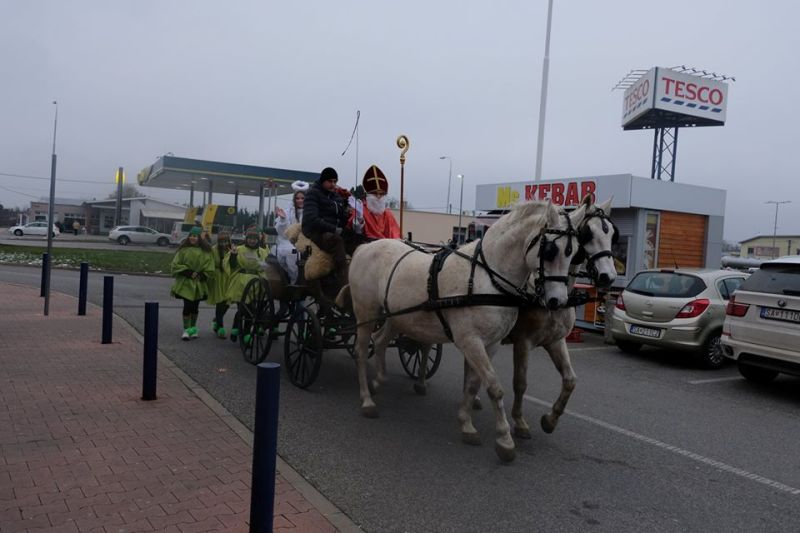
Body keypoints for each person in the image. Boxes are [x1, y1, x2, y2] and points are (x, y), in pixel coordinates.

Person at [301, 167, 353, 288]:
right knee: (336, 241)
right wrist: (334, 229)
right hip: (315, 231)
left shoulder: (336, 197)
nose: (333, 184)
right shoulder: (312, 194)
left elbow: (342, 218)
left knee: (355, 239)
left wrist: (348, 213)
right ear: (323, 180)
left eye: (335, 181)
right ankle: (343, 284)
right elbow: (312, 219)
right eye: (330, 181)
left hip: (334, 230)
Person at [224, 226, 270, 342]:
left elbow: (266, 267)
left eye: (255, 238)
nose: (252, 240)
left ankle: (246, 334)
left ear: (258, 239)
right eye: (250, 238)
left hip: (256, 284)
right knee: (243, 308)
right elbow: (232, 266)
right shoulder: (239, 249)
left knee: (251, 311)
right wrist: (233, 256)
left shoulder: (262, 252)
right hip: (241, 283)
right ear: (246, 238)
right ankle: (236, 328)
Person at [170, 226, 215, 341]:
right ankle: (186, 329)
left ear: (199, 238)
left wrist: (201, 275)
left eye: (194, 236)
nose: (192, 238)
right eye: (191, 235)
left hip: (199, 284)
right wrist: (188, 272)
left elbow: (210, 267)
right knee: (187, 306)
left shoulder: (206, 252)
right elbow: (175, 264)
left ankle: (193, 328)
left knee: (195, 307)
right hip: (186, 282)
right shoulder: (183, 250)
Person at [348, 165, 400, 241]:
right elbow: (356, 232)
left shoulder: (388, 214)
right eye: (375, 193)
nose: (378, 197)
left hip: (387, 247)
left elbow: (395, 235)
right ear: (368, 195)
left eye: (381, 194)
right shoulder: (361, 210)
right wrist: (359, 219)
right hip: (368, 246)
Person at [275, 181, 307, 284]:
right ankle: (294, 282)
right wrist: (283, 220)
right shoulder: (288, 212)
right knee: (292, 252)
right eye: (298, 198)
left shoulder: (310, 212)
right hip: (288, 243)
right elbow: (282, 233)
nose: (300, 201)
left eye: (302, 198)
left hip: (307, 243)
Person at [208, 231, 233, 339]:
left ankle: (217, 319)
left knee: (227, 303)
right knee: (220, 302)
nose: (224, 244)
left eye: (226, 241)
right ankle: (220, 327)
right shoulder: (214, 250)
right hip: (218, 278)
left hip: (228, 278)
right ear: (218, 241)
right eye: (221, 241)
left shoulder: (232, 250)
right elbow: (210, 264)